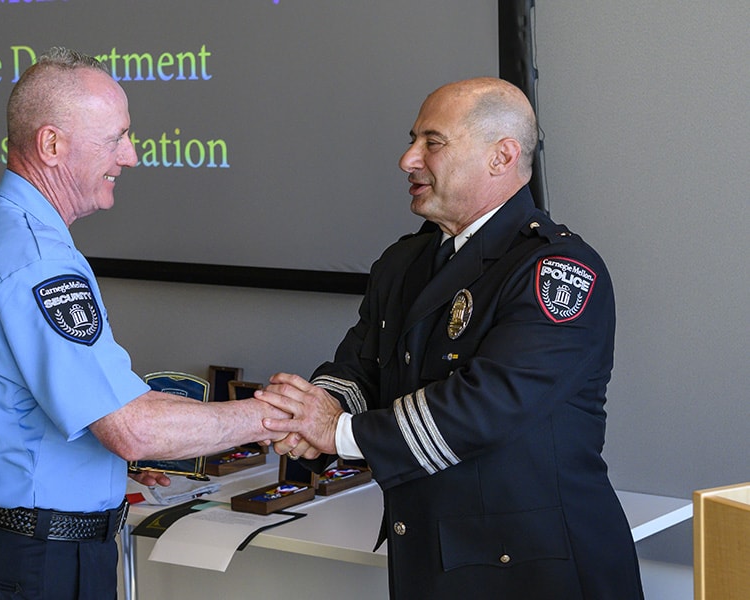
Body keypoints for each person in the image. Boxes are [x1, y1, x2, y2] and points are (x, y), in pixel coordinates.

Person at [0, 47, 286, 599]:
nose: (131, 156)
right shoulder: (40, 261)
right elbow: (131, 429)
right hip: (41, 567)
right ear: (51, 145)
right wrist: (274, 417)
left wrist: (95, 468)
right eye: (116, 138)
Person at [258, 77, 644, 599]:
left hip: (534, 571)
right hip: (432, 560)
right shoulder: (405, 261)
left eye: (432, 143)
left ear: (501, 157)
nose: (408, 159)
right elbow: (361, 367)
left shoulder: (558, 269)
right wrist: (310, 410)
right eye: (413, 139)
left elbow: (488, 404)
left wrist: (339, 434)